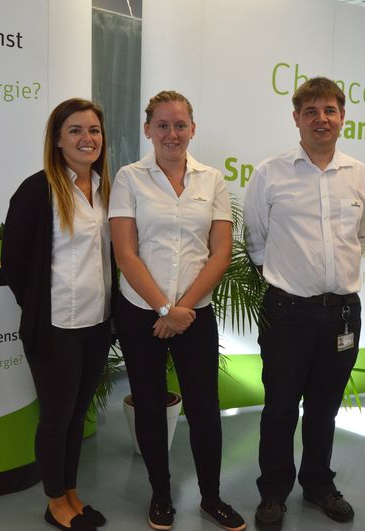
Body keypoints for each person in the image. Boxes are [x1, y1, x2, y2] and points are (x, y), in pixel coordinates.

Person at [244, 77, 365, 530]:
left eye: (329, 110)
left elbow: (364, 234)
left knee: (324, 408)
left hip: (342, 313)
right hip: (288, 313)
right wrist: (291, 277)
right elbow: (256, 241)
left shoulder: (359, 174)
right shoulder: (270, 173)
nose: (321, 119)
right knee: (280, 407)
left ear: (342, 117)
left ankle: (319, 484)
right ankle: (273, 492)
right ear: (296, 118)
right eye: (311, 111)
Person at [109, 90, 245, 531]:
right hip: (140, 311)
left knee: (204, 408)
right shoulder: (129, 178)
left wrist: (181, 309)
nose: (172, 133)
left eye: (180, 125)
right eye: (163, 125)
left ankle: (211, 498)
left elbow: (220, 252)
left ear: (193, 129)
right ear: (148, 129)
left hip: (194, 314)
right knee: (149, 405)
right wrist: (164, 308)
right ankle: (161, 496)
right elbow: (126, 254)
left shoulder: (212, 180)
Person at [3, 98, 114, 531]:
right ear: (57, 139)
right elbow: (14, 262)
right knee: (56, 417)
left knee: (77, 413)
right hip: (56, 328)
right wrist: (37, 309)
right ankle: (54, 502)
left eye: (94, 130)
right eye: (76, 130)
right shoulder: (38, 189)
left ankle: (71, 492)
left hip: (97, 324)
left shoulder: (106, 188)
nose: (87, 139)